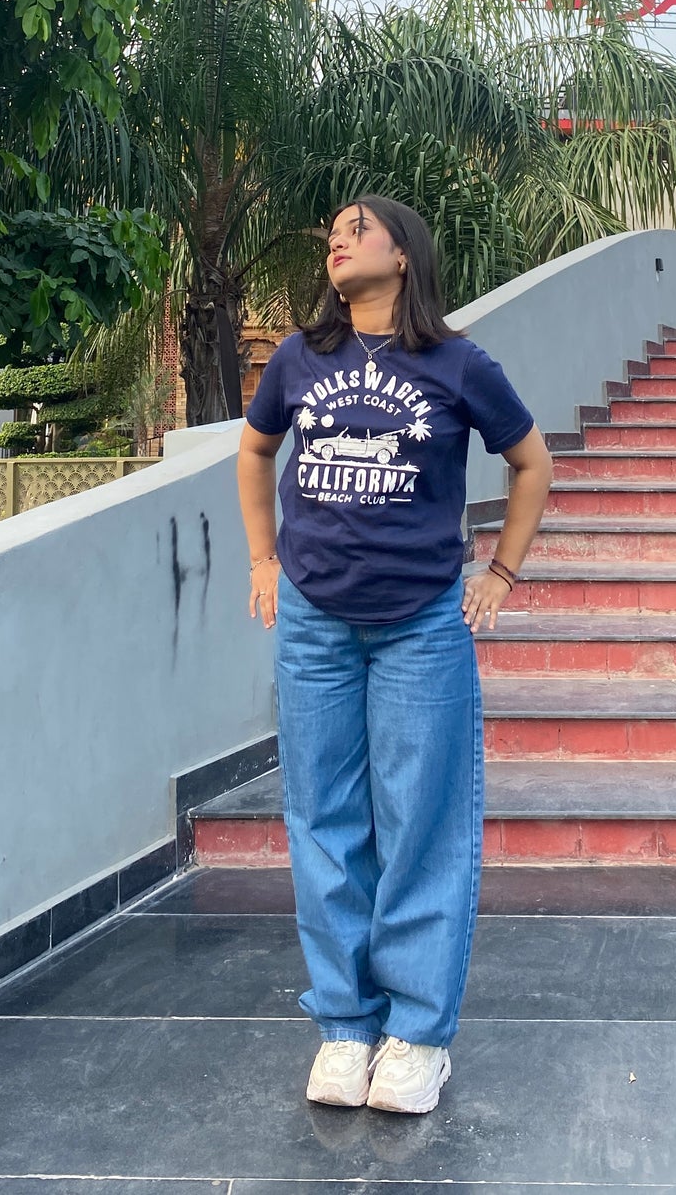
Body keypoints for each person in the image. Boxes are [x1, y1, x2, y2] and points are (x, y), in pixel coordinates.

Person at [238, 195, 553, 1117]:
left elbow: (531, 464)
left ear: (402, 254)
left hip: (420, 622)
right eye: (330, 232)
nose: (335, 239)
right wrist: (263, 559)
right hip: (314, 621)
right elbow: (256, 452)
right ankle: (344, 1024)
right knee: (323, 816)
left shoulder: (457, 363)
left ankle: (415, 1035)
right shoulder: (300, 355)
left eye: (355, 227)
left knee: (420, 824)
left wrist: (500, 571)